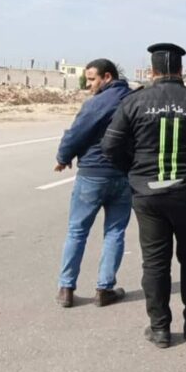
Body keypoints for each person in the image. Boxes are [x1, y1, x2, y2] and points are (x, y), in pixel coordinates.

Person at [102, 43, 186, 349]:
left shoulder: (134, 102)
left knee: (154, 263)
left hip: (147, 195)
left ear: (152, 71)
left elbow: (110, 147)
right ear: (180, 70)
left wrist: (134, 172)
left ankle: (160, 328)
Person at [55, 59, 132, 308]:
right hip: (123, 175)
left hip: (93, 174)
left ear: (107, 77)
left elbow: (77, 132)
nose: (88, 85)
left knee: (77, 231)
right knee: (115, 232)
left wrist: (63, 157)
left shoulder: (98, 103)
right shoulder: (133, 100)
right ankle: (104, 289)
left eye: (91, 79)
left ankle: (66, 289)